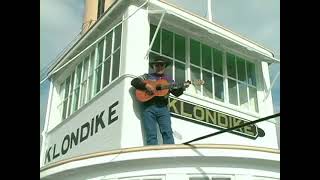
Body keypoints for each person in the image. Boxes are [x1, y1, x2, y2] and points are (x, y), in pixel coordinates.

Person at [131, 56, 188, 145]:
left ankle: (170, 153)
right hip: (148, 108)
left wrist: (183, 87)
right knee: (151, 134)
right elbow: (134, 81)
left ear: (164, 66)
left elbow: (176, 93)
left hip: (163, 108)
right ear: (153, 66)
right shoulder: (147, 77)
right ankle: (152, 155)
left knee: (167, 132)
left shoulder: (169, 80)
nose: (159, 67)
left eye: (161, 65)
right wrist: (146, 86)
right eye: (157, 65)